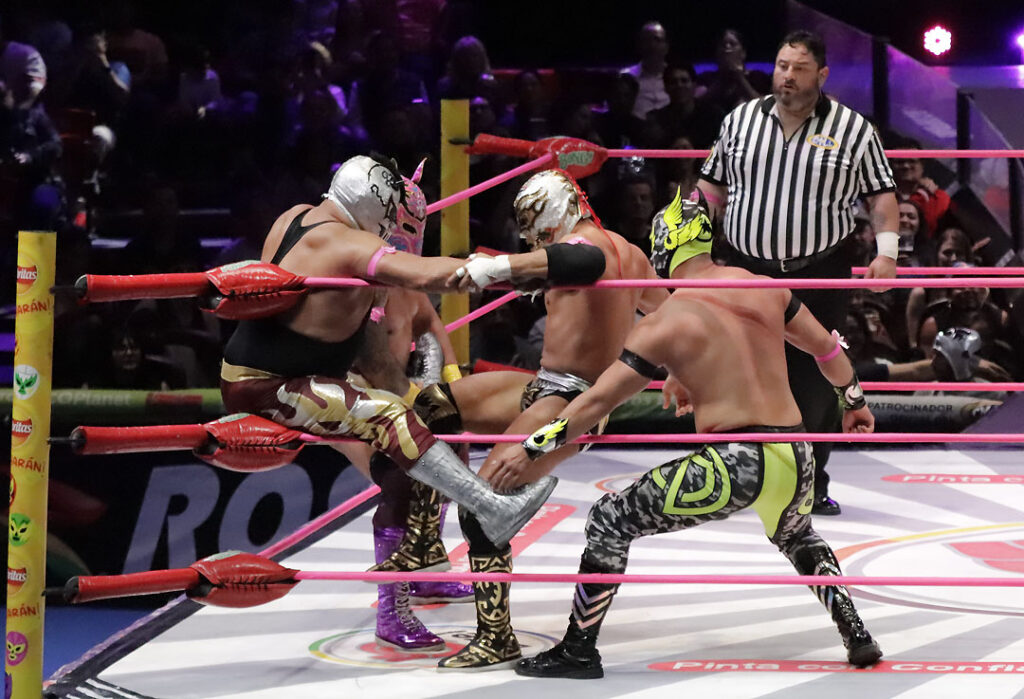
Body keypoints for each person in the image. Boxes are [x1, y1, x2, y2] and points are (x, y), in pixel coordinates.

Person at [492, 189, 882, 679]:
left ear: (662, 250)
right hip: (797, 453)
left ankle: (578, 650)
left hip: (735, 463)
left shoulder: (666, 322)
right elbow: (826, 350)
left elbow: (593, 404)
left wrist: (530, 449)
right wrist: (854, 402)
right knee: (797, 532)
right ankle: (857, 634)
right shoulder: (763, 287)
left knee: (609, 519)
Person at [219, 153, 602, 552]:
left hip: (284, 373)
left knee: (416, 436)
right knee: (391, 423)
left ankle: (422, 563)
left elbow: (377, 333)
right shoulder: (349, 244)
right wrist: (502, 267)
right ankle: (490, 507)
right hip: (272, 388)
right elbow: (428, 275)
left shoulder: (295, 216)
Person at [410, 168, 668, 671]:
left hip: (572, 405)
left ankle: (495, 636)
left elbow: (578, 260)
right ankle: (423, 543)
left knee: (484, 500)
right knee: (426, 410)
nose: (537, 243)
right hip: (542, 384)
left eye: (540, 234)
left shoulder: (592, 250)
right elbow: (666, 312)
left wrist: (497, 267)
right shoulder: (628, 255)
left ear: (558, 218)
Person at [698, 30, 899, 516]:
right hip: (745, 268)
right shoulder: (740, 120)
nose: (787, 76)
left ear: (821, 74)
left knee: (817, 378)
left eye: (799, 68)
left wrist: (888, 253)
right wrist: (687, 246)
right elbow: (710, 187)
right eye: (782, 65)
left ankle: (810, 484)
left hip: (818, 270)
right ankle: (739, 480)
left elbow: (881, 195)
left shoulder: (853, 129)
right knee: (739, 371)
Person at [332, 162, 474, 652]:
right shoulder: (361, 278)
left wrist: (450, 388)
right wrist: (408, 404)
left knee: (453, 451)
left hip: (395, 394)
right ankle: (390, 613)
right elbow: (361, 357)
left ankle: (426, 569)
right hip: (355, 395)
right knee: (404, 478)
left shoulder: (407, 283)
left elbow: (432, 327)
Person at [621, 21, 670, 119]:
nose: (652, 45)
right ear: (639, 46)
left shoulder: (676, 78)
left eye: (657, 40)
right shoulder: (626, 77)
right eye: (647, 40)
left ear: (666, 47)